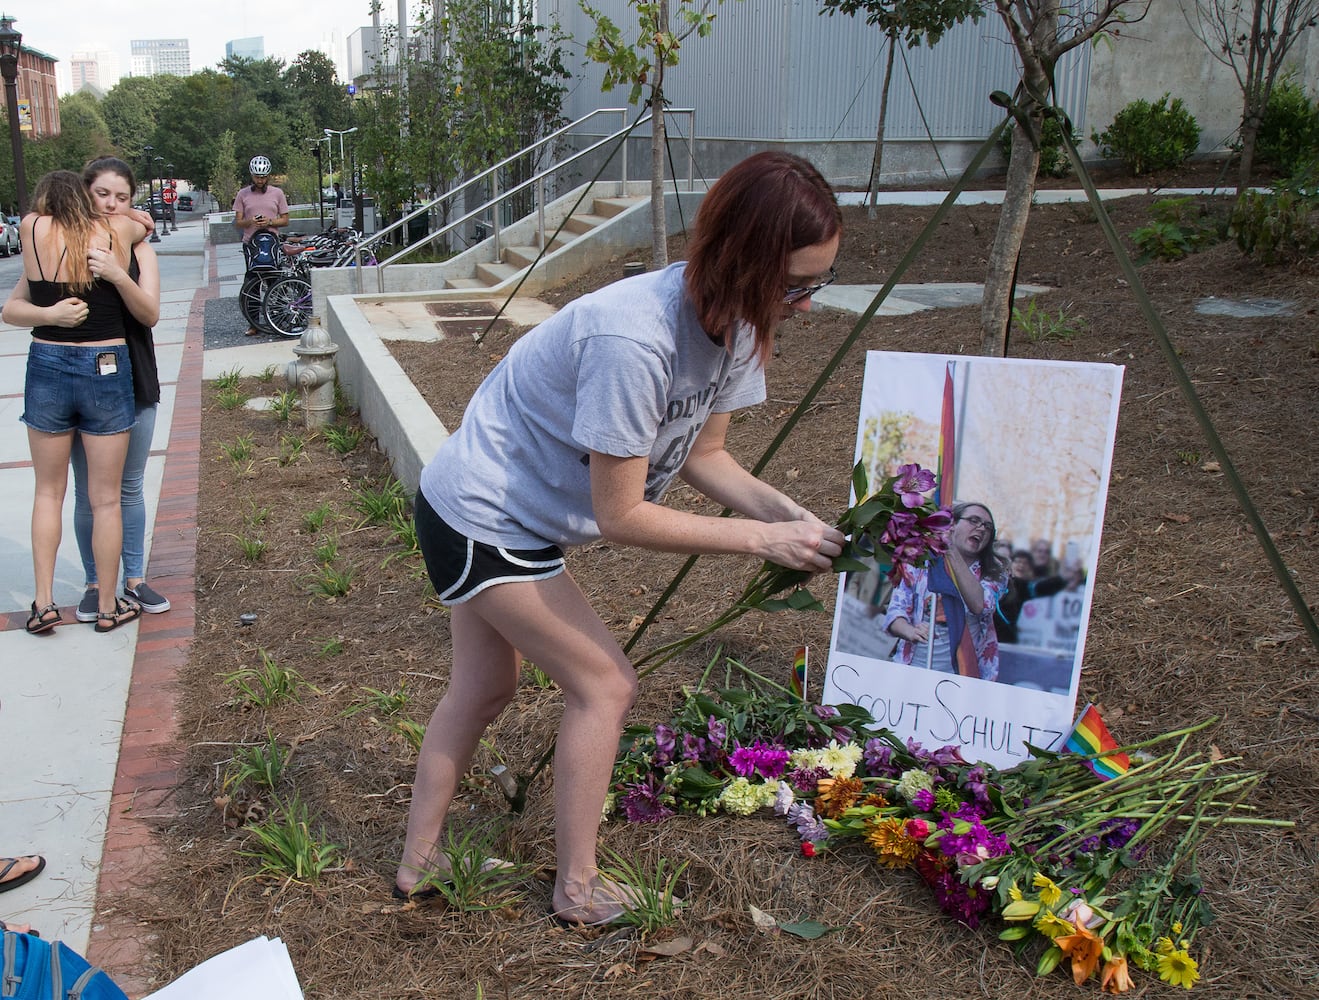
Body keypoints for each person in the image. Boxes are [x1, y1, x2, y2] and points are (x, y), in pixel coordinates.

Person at [395, 151, 846, 925]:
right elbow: (623, 516)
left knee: (484, 687)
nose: (803, 305)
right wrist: (757, 545)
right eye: (794, 285)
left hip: (511, 516)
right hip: (481, 515)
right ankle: (576, 890)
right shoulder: (632, 339)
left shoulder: (736, 327)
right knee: (604, 685)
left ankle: (418, 860)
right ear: (740, 262)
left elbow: (705, 455)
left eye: (817, 285)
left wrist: (788, 516)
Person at [5, 159, 167, 621]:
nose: (113, 204)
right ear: (83, 194)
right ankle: (106, 604)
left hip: (48, 364)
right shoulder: (119, 233)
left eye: (122, 198)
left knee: (48, 493)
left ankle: (42, 604)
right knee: (105, 498)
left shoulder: (33, 230)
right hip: (105, 365)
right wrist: (137, 220)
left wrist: (53, 315)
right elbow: (138, 226)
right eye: (102, 195)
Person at [883, 500, 1007, 681]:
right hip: (913, 669)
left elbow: (980, 605)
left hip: (964, 676)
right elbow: (895, 612)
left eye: (987, 527)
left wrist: (950, 552)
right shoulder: (919, 561)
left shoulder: (995, 572)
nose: (981, 529)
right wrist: (911, 631)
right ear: (952, 524)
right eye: (973, 520)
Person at [232, 154, 289, 337]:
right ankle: (254, 323)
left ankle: (277, 320)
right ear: (252, 176)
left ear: (269, 176)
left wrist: (270, 221)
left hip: (271, 242)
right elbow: (238, 223)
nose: (260, 180)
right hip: (251, 244)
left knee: (274, 281)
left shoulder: (277, 193)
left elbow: (285, 220)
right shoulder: (243, 194)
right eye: (257, 177)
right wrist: (251, 221)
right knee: (252, 284)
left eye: (263, 177)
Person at [995, 549, 1084, 645]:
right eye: (1017, 562)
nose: (1021, 565)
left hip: (1003, 642)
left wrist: (1062, 578)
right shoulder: (983, 580)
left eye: (1025, 563)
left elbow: (1039, 588)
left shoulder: (1019, 586)